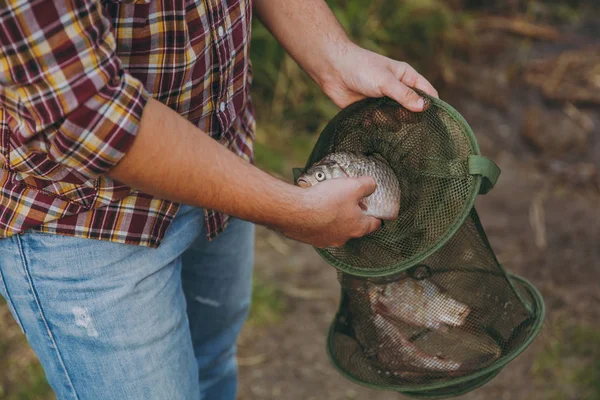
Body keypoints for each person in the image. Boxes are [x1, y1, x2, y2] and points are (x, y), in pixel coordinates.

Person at [0, 0, 438, 399]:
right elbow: (87, 114)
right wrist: (291, 210)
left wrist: (335, 55)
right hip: (88, 219)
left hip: (224, 169)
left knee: (210, 365)